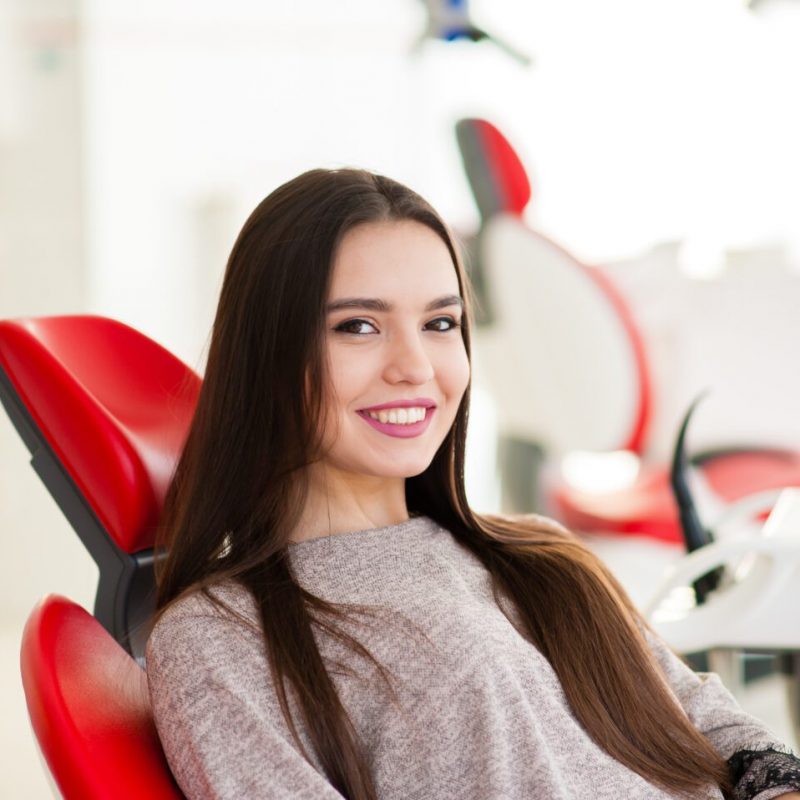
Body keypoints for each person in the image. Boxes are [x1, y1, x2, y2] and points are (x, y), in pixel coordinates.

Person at [146, 168, 800, 800]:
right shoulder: (221, 638)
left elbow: (723, 733)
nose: (415, 367)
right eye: (359, 326)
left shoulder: (541, 558)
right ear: (269, 354)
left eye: (440, 324)